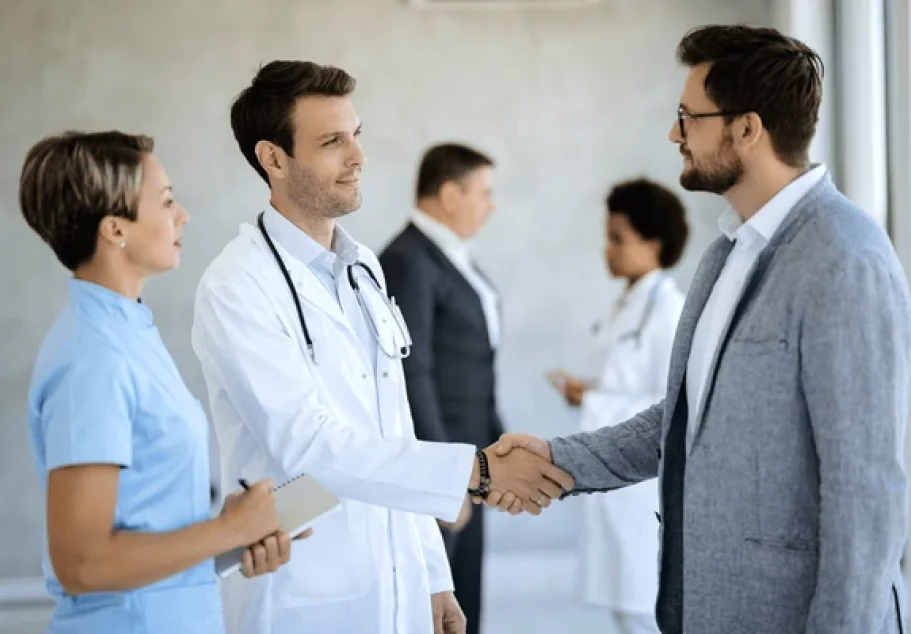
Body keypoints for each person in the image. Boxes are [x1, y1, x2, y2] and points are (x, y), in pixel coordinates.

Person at [483, 24, 911, 634]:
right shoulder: (725, 255)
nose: (673, 133)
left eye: (688, 117)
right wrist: (557, 458)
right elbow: (682, 420)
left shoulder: (845, 258)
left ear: (746, 128)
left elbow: (865, 493)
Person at [190, 60, 574, 634]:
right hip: (304, 589)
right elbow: (308, 446)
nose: (358, 156)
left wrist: (432, 574)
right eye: (332, 141)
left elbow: (394, 427)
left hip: (396, 583)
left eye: (357, 134)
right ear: (273, 158)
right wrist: (475, 469)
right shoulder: (237, 285)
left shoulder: (364, 267)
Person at [19, 131, 297, 634]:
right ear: (114, 229)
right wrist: (227, 528)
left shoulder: (129, 333)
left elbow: (143, 534)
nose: (182, 215)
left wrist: (231, 541)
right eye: (166, 201)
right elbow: (82, 565)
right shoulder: (93, 358)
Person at [546, 178, 688, 634]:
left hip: (643, 487)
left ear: (654, 244)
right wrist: (590, 393)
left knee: (644, 611)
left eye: (618, 239)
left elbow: (677, 406)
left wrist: (594, 400)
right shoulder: (625, 305)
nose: (607, 250)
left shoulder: (668, 312)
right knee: (627, 611)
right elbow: (627, 385)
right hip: (617, 484)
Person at [379, 143, 504, 634]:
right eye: (484, 193)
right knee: (439, 607)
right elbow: (413, 372)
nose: (491, 206)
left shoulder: (452, 255)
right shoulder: (409, 260)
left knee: (466, 597)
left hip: (470, 461)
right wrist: (442, 477)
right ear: (450, 193)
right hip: (442, 464)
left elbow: (473, 363)